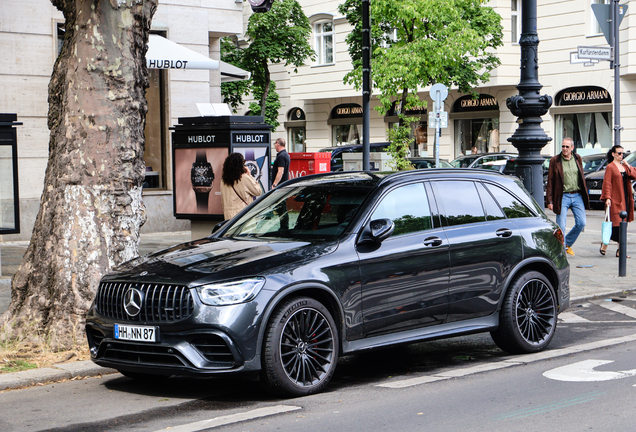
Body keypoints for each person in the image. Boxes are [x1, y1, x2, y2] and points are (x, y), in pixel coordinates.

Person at [545, 137, 590, 256]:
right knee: (561, 226)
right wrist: (549, 200)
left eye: (567, 147)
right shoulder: (555, 160)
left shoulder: (577, 158)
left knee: (581, 223)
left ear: (572, 148)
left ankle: (566, 243)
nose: (564, 149)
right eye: (563, 146)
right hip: (562, 196)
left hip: (577, 195)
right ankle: (561, 251)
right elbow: (550, 181)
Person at [600, 145, 636, 257]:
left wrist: (628, 165)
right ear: (613, 154)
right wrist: (607, 198)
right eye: (619, 153)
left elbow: (634, 175)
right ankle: (605, 244)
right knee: (615, 224)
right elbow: (607, 183)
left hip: (625, 198)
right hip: (615, 198)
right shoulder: (610, 167)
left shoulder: (624, 166)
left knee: (623, 224)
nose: (621, 156)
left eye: (622, 153)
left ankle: (620, 251)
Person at [220, 153, 262, 220]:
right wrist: (249, 175)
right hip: (242, 216)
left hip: (228, 216)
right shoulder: (244, 178)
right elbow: (258, 191)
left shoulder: (223, 180)